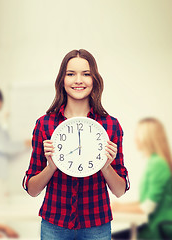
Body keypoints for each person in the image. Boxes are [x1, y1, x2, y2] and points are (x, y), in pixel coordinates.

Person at [22, 49, 130, 240]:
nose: (78, 80)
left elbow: (120, 190)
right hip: (54, 223)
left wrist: (105, 166)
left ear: (94, 80)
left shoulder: (110, 126)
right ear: (62, 80)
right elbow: (32, 189)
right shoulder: (44, 124)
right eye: (71, 74)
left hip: (97, 224)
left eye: (86, 74)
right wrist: (52, 166)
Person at [112, 118, 172, 239]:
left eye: (138, 135)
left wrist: (116, 209)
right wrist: (119, 206)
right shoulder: (154, 162)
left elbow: (147, 208)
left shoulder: (157, 164)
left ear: (148, 138)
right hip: (153, 226)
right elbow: (147, 200)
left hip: (158, 229)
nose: (135, 139)